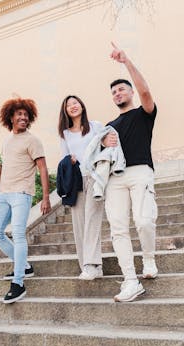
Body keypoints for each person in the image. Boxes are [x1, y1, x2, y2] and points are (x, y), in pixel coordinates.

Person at [102, 42, 159, 302]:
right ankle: (130, 280)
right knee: (118, 229)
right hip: (115, 178)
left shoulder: (143, 113)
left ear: (131, 92)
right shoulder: (109, 126)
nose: (117, 93)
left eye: (121, 89)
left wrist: (126, 61)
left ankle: (148, 259)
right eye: (113, 92)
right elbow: (98, 152)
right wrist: (104, 143)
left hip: (140, 173)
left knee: (144, 220)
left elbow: (146, 89)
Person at [0, 97, 51, 304]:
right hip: (4, 193)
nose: (23, 117)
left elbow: (42, 168)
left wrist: (45, 197)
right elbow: (8, 165)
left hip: (22, 194)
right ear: (11, 117)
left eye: (26, 115)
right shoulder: (7, 141)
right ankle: (24, 265)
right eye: (19, 114)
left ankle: (18, 283)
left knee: (18, 234)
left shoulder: (32, 141)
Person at [58, 95, 105, 280]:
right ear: (65, 111)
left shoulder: (95, 126)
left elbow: (106, 147)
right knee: (79, 224)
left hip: (94, 177)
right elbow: (64, 158)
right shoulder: (65, 134)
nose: (73, 106)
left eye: (75, 102)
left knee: (92, 220)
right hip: (76, 180)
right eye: (69, 105)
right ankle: (91, 266)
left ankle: (90, 264)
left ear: (82, 105)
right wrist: (70, 160)